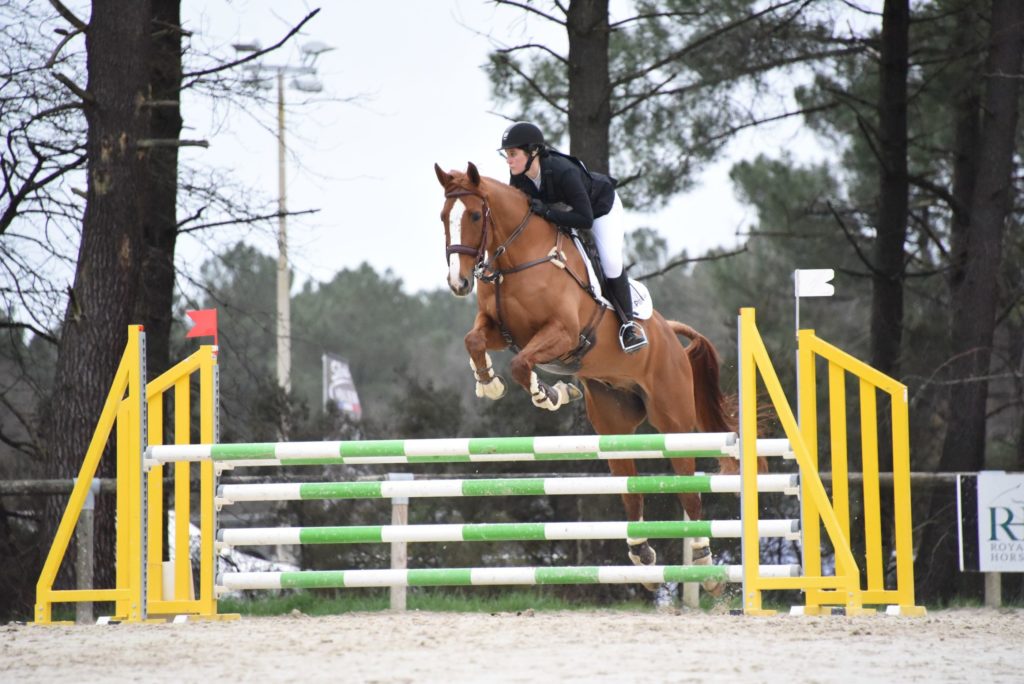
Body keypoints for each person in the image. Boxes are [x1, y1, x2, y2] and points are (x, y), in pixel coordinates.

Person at [498, 121, 647, 353]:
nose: (509, 160)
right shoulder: (518, 176)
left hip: (600, 209)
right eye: (506, 154)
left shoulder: (562, 171)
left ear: (533, 151)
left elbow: (585, 219)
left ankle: (628, 325)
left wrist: (547, 212)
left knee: (610, 261)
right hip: (567, 212)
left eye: (513, 154)